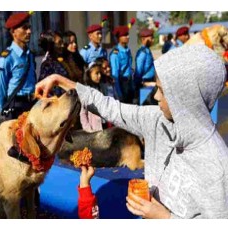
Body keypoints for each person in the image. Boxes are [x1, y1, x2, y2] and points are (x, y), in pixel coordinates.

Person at [35, 44, 228, 218]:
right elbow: (111, 108)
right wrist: (60, 80)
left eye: (162, 89)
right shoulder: (156, 120)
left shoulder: (217, 166)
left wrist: (165, 219)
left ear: (185, 97)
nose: (155, 96)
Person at [0, 12, 37, 119]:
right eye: (24, 28)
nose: (29, 32)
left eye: (29, 27)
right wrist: (4, 108)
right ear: (13, 32)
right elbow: (0, 86)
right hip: (16, 106)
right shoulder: (6, 58)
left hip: (32, 104)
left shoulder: (30, 55)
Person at [109, 25, 134, 104]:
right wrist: (119, 94)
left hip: (130, 82)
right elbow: (115, 75)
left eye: (128, 34)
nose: (128, 36)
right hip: (122, 84)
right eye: (125, 35)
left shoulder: (127, 50)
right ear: (119, 38)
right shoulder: (115, 53)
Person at [80, 62, 106, 132]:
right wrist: (88, 129)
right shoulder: (86, 92)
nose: (99, 76)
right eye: (96, 73)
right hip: (95, 128)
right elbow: (83, 113)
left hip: (107, 124)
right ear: (89, 74)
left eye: (100, 73)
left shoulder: (103, 87)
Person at [134, 28, 155, 104]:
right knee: (146, 105)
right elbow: (139, 71)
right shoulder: (142, 53)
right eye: (151, 38)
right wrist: (138, 85)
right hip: (145, 83)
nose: (153, 40)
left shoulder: (148, 51)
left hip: (151, 82)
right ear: (143, 39)